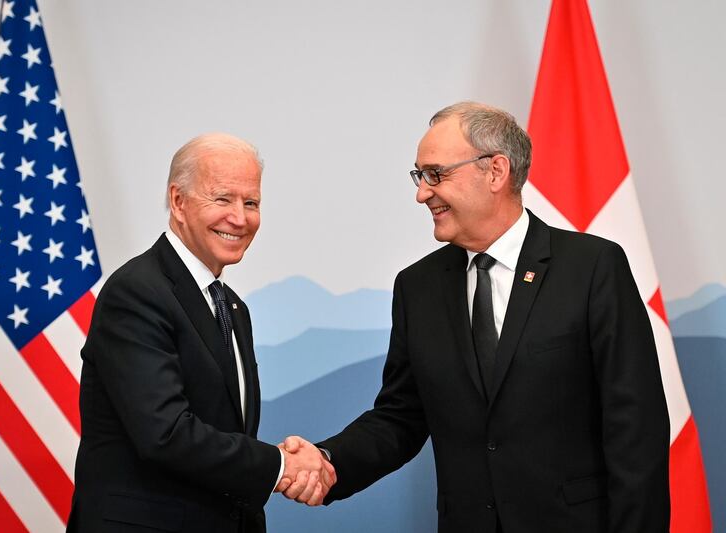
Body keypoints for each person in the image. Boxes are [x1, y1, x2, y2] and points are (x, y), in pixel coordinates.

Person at [281, 102, 670, 532]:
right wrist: (328, 461)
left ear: (496, 172)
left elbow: (636, 431)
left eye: (436, 174)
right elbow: (401, 416)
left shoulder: (592, 267)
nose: (422, 192)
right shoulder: (418, 286)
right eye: (419, 176)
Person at [67, 133, 334, 533]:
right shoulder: (137, 291)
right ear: (178, 202)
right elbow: (166, 433)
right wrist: (280, 465)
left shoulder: (231, 307)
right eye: (222, 199)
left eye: (251, 203)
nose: (240, 218)